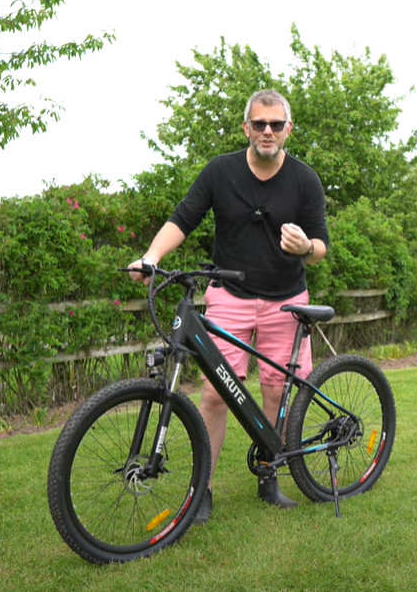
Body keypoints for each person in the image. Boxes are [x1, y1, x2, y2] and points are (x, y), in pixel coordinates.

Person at [128, 89, 329, 524]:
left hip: (286, 301)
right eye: (260, 124)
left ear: (288, 129)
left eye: (276, 124)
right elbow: (183, 217)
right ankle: (204, 489)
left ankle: (268, 475)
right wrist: (151, 257)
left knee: (277, 390)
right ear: (246, 128)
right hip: (230, 297)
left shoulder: (304, 180)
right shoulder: (220, 172)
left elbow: (321, 247)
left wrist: (305, 246)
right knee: (216, 395)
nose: (268, 131)